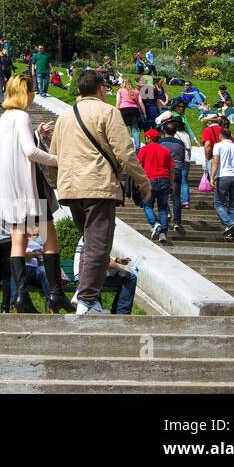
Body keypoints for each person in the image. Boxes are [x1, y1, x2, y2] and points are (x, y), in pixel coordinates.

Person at [50, 69, 150, 316]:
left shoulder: (64, 117)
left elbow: (54, 157)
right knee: (98, 244)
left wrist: (59, 183)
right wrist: (143, 184)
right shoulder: (108, 112)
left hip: (71, 189)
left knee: (88, 241)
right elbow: (125, 153)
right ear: (102, 88)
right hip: (98, 187)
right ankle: (87, 301)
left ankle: (83, 292)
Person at [0, 76, 68, 312]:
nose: (34, 95)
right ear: (24, 93)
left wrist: (36, 132)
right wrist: (59, 159)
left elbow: (18, 147)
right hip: (28, 186)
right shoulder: (22, 116)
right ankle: (56, 293)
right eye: (31, 91)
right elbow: (30, 151)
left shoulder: (4, 118)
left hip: (9, 186)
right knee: (49, 237)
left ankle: (21, 296)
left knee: (18, 239)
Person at [72, 236, 139, 314]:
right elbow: (102, 260)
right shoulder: (99, 232)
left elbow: (97, 255)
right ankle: (121, 314)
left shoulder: (89, 233)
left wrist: (117, 260)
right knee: (130, 277)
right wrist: (122, 270)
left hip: (84, 275)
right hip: (89, 277)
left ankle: (88, 301)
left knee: (125, 277)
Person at [137, 128, 174, 245]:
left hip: (150, 180)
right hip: (164, 180)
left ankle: (155, 223)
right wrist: (171, 184)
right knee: (163, 208)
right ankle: (163, 233)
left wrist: (139, 181)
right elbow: (171, 169)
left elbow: (138, 165)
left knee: (147, 205)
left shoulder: (144, 150)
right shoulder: (165, 150)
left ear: (148, 138)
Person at [209, 122, 234, 241]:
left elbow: (216, 162)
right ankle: (233, 230)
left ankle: (230, 223)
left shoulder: (218, 146)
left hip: (223, 176)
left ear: (220, 136)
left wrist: (212, 177)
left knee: (218, 203)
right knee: (233, 204)